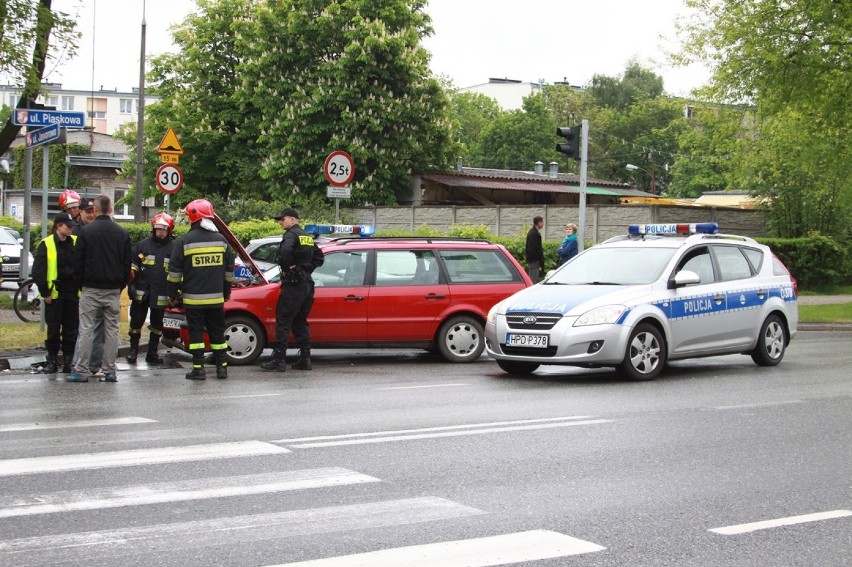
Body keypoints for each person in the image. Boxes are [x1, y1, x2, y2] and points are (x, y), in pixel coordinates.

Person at [167, 199, 234, 380]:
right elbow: (229, 273)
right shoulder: (222, 241)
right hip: (216, 300)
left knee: (196, 334)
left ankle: (199, 369)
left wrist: (172, 295)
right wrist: (226, 292)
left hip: (193, 300)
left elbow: (174, 274)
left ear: (193, 216)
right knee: (218, 333)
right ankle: (222, 369)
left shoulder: (185, 242)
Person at [67, 195, 132, 383]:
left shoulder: (86, 233)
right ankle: (110, 370)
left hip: (90, 287)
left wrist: (81, 284)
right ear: (111, 209)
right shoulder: (122, 233)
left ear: (94, 210)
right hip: (112, 288)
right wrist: (120, 285)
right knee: (111, 330)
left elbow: (78, 262)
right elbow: (126, 264)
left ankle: (81, 370)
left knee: (86, 329)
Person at [261, 207, 323, 372]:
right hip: (307, 286)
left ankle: (279, 360)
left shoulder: (291, 235)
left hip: (294, 285)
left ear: (293, 219)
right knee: (300, 321)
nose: (280, 222)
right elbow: (319, 257)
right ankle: (305, 359)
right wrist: (305, 268)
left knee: (283, 321)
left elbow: (285, 252)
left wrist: (289, 268)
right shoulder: (307, 237)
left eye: (283, 219)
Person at [31, 214, 80, 374]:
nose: (71, 229)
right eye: (68, 226)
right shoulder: (47, 244)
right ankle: (52, 361)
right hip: (54, 294)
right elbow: (38, 271)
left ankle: (67, 362)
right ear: (59, 226)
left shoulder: (75, 242)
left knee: (70, 330)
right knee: (53, 329)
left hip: (72, 293)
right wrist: (45, 292)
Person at [127, 213, 175, 364]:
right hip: (141, 293)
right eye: (157, 229)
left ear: (169, 230)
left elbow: (177, 273)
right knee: (136, 323)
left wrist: (175, 294)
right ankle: (133, 352)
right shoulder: (142, 246)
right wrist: (131, 285)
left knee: (157, 325)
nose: (160, 232)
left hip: (161, 294)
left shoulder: (173, 250)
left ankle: (152, 353)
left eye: (163, 229)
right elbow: (132, 267)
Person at [70, 198, 104, 373]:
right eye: (87, 211)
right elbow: (75, 262)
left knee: (95, 328)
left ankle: (92, 364)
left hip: (92, 287)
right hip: (79, 287)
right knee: (81, 328)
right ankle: (75, 362)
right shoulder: (74, 231)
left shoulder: (98, 230)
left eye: (93, 211)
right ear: (80, 212)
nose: (91, 214)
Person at [525, 215, 545, 282]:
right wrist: (538, 260)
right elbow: (534, 248)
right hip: (534, 261)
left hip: (533, 260)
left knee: (533, 278)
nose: (543, 224)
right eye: (542, 222)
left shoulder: (533, 232)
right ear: (539, 223)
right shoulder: (534, 234)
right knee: (533, 280)